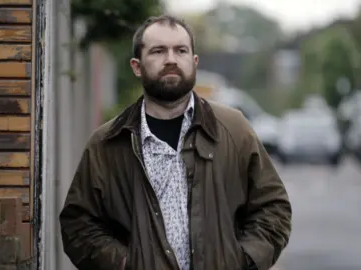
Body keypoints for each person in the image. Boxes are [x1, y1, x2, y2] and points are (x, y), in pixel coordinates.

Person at [59, 15, 292, 270]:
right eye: (158, 51)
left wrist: (243, 260)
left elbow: (273, 208)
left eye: (180, 50)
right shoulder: (107, 143)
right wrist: (124, 263)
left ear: (194, 62)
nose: (171, 59)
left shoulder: (234, 130)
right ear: (137, 66)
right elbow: (77, 225)